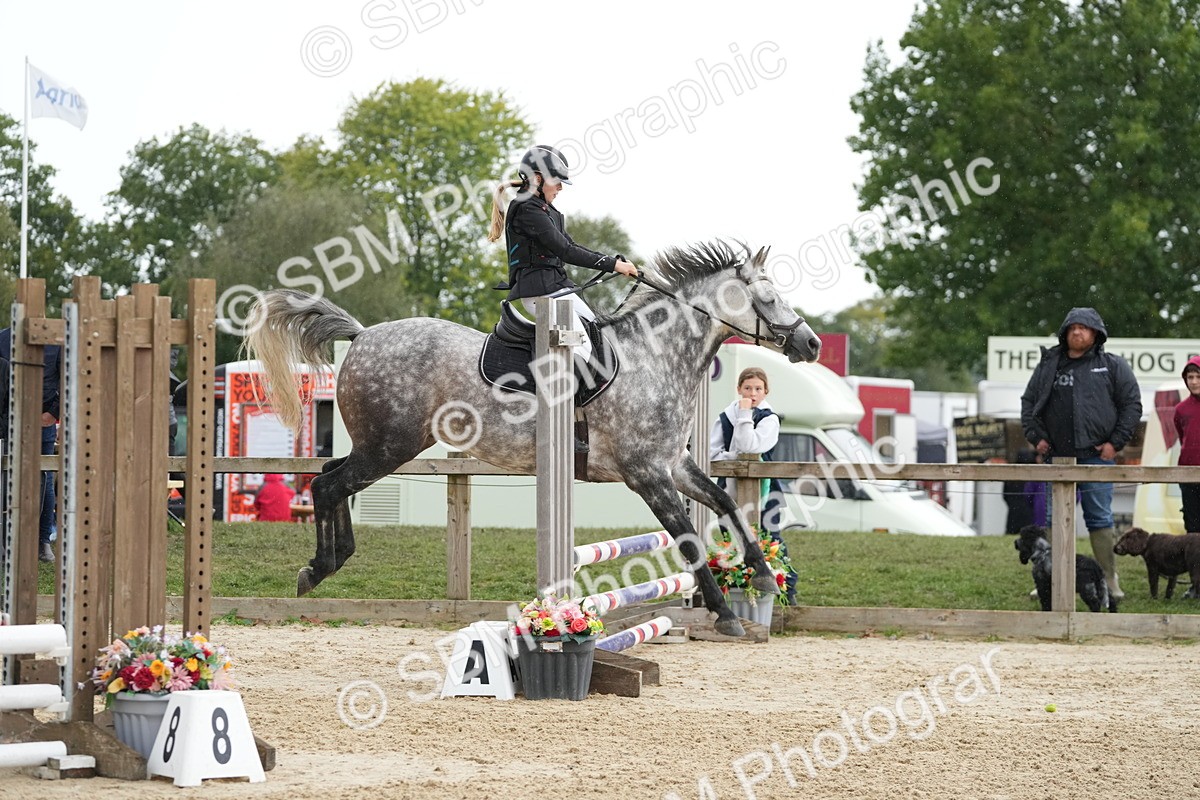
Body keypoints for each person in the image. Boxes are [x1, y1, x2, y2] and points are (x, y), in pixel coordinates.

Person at [1020, 307, 1141, 599]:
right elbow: (1028, 402)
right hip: (1057, 456)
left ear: (1096, 333)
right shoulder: (1049, 364)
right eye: (1072, 327)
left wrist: (1115, 443)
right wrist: (1036, 437)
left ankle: (1109, 581)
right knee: (1054, 518)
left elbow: (1132, 405)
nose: (1077, 332)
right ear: (1065, 332)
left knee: (1099, 517)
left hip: (1097, 456)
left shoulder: (1113, 365)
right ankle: (1051, 578)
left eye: (1084, 328)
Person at [487, 144, 639, 369]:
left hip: (556, 288)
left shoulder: (546, 210)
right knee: (583, 347)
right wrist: (614, 265)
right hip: (540, 293)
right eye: (556, 181)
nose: (560, 187)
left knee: (596, 332)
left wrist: (614, 262)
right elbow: (565, 252)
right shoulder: (527, 209)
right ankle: (559, 397)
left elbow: (571, 245)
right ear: (538, 179)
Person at [708, 367, 797, 605]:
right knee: (730, 538)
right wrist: (731, 457)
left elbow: (750, 446)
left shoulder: (769, 419)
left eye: (758, 389)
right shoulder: (726, 417)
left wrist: (745, 415)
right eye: (747, 388)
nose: (752, 393)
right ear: (739, 389)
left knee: (770, 538)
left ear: (765, 391)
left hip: (766, 490)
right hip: (729, 488)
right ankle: (735, 593)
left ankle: (786, 593)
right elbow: (712, 453)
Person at [0, 328, 61, 563]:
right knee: (7, 476)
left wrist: (51, 414)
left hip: (42, 419)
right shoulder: (3, 338)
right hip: (8, 420)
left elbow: (67, 379)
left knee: (43, 477)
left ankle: (42, 540)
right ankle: (8, 539)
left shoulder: (56, 341)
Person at [1173, 356, 1200, 532]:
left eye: (1198, 376)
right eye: (1190, 377)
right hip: (1187, 474)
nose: (1194, 381)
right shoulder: (1180, 409)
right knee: (1192, 526)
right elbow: (1183, 439)